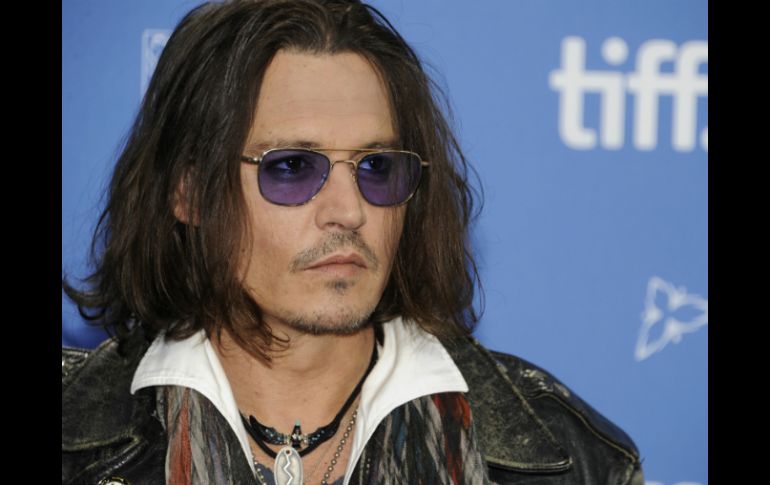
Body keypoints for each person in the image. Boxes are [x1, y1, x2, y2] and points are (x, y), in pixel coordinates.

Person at [62, 1, 645, 484]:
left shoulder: (570, 461)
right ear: (188, 192)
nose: (349, 211)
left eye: (377, 167)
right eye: (291, 167)